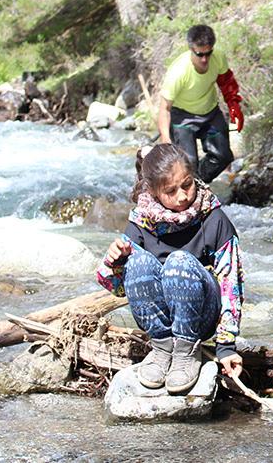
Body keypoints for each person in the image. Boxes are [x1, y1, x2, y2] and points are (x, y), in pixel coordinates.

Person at [96, 144, 245, 393]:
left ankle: (186, 351)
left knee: (179, 261)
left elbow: (231, 284)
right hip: (161, 327)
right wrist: (117, 260)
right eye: (171, 191)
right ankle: (162, 348)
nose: (183, 196)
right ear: (154, 193)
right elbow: (118, 288)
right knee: (138, 260)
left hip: (201, 318)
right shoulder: (142, 221)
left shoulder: (214, 218)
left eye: (187, 184)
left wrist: (226, 347)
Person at [158, 24, 244, 183]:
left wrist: (234, 106)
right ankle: (188, 190)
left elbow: (226, 82)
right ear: (191, 49)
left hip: (210, 113)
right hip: (182, 118)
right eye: (200, 54)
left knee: (223, 156)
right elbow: (164, 108)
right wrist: (165, 138)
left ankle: (197, 185)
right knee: (188, 163)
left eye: (208, 53)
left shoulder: (218, 57)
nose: (205, 59)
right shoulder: (178, 72)